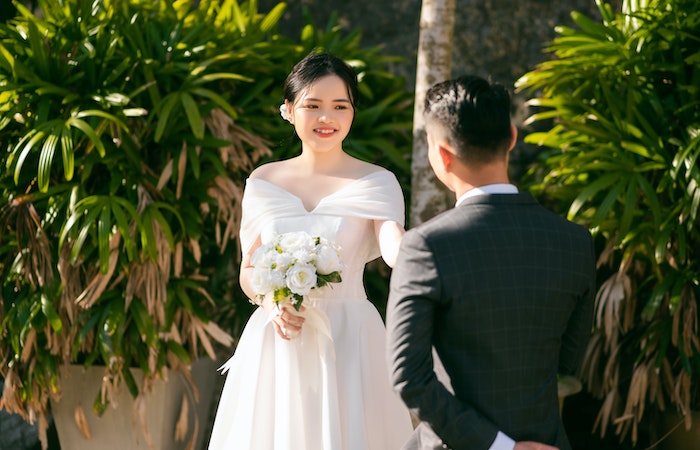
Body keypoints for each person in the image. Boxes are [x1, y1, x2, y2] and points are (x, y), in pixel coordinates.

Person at [208, 51, 414, 450]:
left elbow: (394, 246)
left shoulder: (377, 181)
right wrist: (272, 304)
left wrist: (434, 255)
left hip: (349, 338)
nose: (327, 118)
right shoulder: (263, 180)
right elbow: (248, 270)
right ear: (288, 110)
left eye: (340, 106)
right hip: (278, 339)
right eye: (313, 105)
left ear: (353, 112)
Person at [385, 75, 596, 450]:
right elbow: (568, 360)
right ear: (512, 137)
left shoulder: (425, 246)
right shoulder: (575, 241)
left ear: (442, 155)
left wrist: (500, 446)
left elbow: (408, 376)